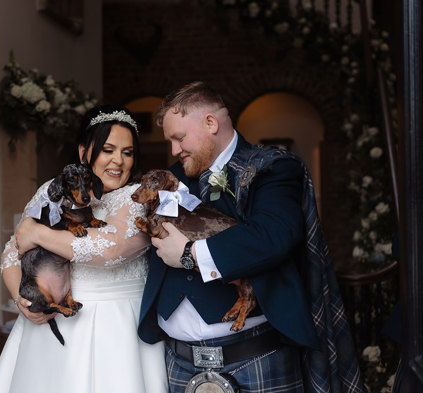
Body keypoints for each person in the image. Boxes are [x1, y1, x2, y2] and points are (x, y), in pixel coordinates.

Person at [137, 81, 366, 393]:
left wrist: (190, 253)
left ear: (210, 123)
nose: (174, 150)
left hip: (256, 359)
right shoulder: (170, 178)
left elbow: (274, 234)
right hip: (177, 361)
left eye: (179, 138)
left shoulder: (273, 168)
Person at [0, 105, 168, 393]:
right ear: (85, 152)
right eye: (107, 150)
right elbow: (12, 251)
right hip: (50, 324)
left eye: (127, 152)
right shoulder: (52, 191)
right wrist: (22, 301)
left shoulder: (141, 198)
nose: (117, 161)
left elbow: (111, 249)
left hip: (119, 329)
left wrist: (38, 232)